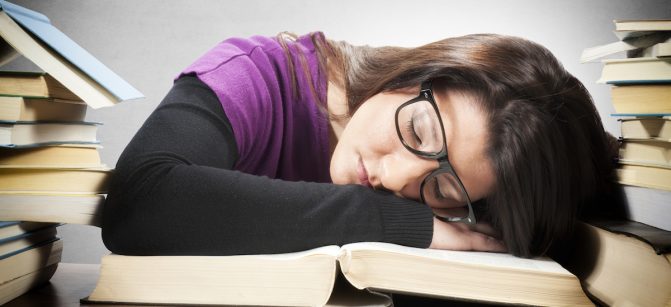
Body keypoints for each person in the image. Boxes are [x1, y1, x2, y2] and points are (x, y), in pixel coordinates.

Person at [102, 31, 616, 258]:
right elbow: (139, 202)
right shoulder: (259, 74)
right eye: (417, 133)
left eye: (439, 188)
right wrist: (397, 221)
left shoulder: (461, 216)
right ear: (416, 74)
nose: (395, 181)